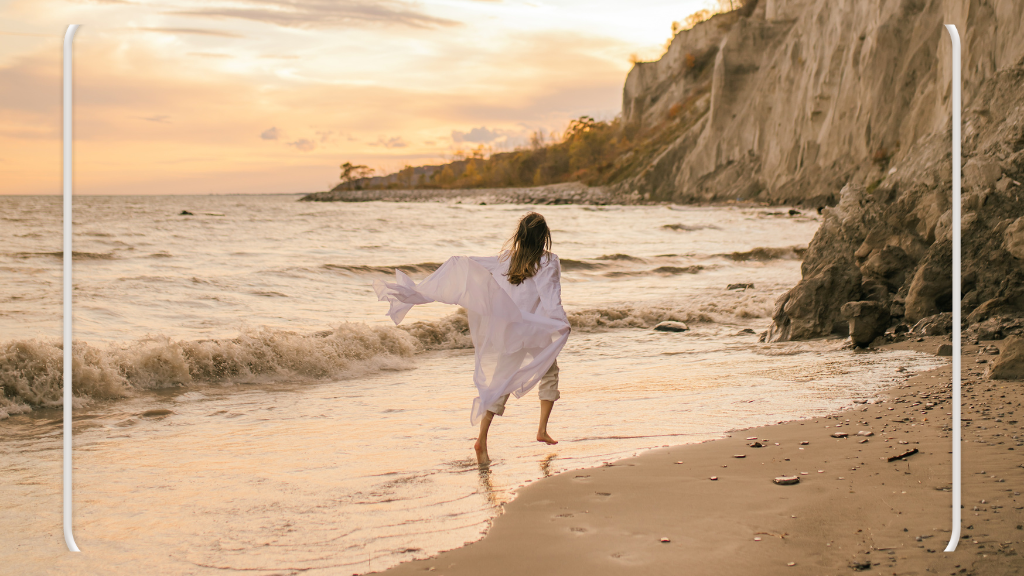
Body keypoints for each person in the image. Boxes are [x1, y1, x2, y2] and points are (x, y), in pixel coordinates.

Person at [373, 212, 570, 466]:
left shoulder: (505, 261)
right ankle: (542, 430)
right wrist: (561, 322)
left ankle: (482, 440)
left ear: (519, 236)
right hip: (534, 331)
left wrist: (425, 287)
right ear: (544, 238)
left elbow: (469, 264)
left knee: (500, 384)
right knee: (550, 373)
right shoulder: (548, 262)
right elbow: (551, 297)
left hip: (508, 332)